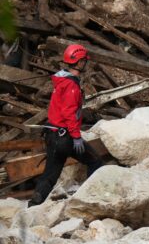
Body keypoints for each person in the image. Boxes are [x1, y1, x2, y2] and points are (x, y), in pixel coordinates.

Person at [29, 44, 103, 206]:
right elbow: (68, 113)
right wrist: (76, 137)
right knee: (94, 161)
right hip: (64, 137)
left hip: (54, 134)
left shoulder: (62, 80)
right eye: (84, 61)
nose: (85, 63)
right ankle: (89, 199)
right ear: (79, 62)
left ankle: (33, 205)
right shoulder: (71, 86)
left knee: (50, 175)